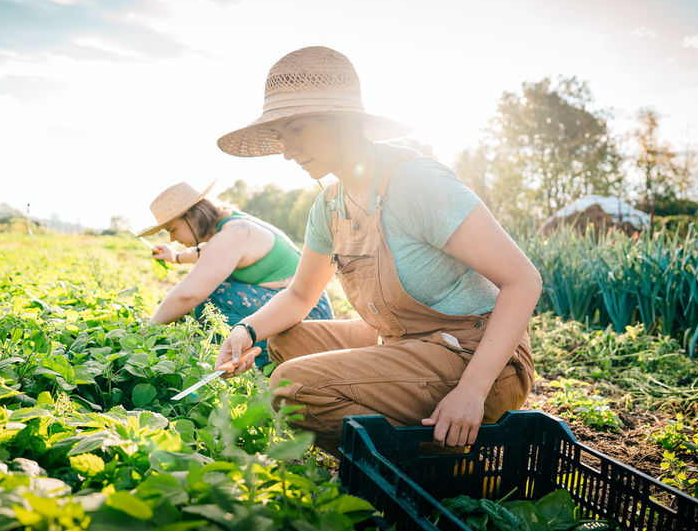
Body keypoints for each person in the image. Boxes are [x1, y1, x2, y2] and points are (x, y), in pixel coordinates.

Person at [214, 46, 541, 456]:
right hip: (401, 342)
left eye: (296, 129)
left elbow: (523, 280)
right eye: (281, 135)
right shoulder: (329, 204)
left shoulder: (416, 182)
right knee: (281, 340)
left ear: (341, 120)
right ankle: (409, 450)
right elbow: (300, 296)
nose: (287, 150)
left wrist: (473, 389)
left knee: (288, 385)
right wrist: (245, 331)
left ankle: (423, 467)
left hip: (476, 358)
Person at [139, 180, 333, 367]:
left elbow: (188, 295)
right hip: (297, 307)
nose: (172, 238)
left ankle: (264, 364)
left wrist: (146, 331)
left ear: (192, 216)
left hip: (307, 313)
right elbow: (205, 252)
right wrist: (176, 257)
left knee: (206, 302)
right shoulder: (230, 225)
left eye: (172, 229)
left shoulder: (234, 233)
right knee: (186, 308)